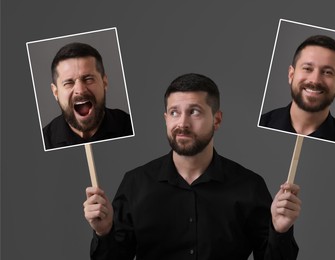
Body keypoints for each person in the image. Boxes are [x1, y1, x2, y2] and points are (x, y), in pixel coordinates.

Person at [84, 73, 302, 260]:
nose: (182, 124)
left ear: (217, 120)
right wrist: (104, 233)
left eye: (194, 112)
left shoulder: (249, 186)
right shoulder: (135, 183)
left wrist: (280, 231)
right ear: (165, 119)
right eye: (174, 112)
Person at [259, 35, 335, 144]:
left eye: (327, 72)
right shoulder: (261, 123)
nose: (315, 80)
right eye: (307, 68)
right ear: (291, 75)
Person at [43, 42, 133, 149]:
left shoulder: (128, 125)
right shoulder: (45, 141)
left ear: (104, 82)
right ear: (55, 92)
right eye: (68, 83)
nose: (80, 90)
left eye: (89, 79)